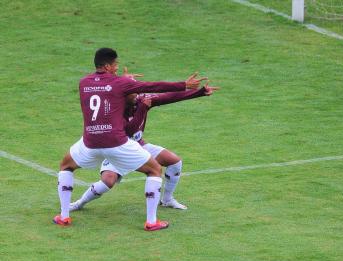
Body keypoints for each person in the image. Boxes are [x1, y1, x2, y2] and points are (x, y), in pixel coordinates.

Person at [53, 47, 207, 231]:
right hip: (117, 142)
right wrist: (183, 84)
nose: (117, 67)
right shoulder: (121, 85)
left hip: (90, 141)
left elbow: (152, 95)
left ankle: (63, 217)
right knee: (154, 170)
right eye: (116, 64)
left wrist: (197, 92)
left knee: (66, 166)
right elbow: (152, 86)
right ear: (108, 65)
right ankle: (151, 222)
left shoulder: (84, 82)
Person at [69, 84, 220, 214]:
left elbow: (169, 96)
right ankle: (79, 203)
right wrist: (142, 109)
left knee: (174, 162)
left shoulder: (141, 99)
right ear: (124, 95)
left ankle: (167, 200)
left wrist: (200, 92)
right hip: (118, 150)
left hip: (138, 146)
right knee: (108, 181)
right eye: (134, 93)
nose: (138, 95)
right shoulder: (114, 108)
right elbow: (127, 131)